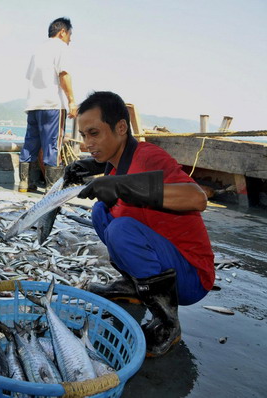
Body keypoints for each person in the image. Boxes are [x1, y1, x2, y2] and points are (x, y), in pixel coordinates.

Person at [63, 91, 214, 357]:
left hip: (191, 277)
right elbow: (123, 174)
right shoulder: (116, 161)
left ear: (121, 128)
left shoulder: (149, 157)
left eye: (94, 133)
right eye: (84, 135)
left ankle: (168, 323)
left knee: (122, 230)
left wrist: (119, 186)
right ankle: (133, 284)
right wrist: (92, 166)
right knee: (100, 211)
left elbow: (197, 198)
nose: (87, 143)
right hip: (167, 262)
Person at [18, 17, 78, 193]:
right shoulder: (60, 48)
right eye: (70, 35)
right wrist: (72, 100)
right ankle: (52, 188)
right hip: (52, 104)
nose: (70, 39)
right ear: (62, 32)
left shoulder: (38, 50)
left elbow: (30, 77)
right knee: (53, 144)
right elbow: (64, 74)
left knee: (30, 144)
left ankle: (24, 183)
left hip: (33, 105)